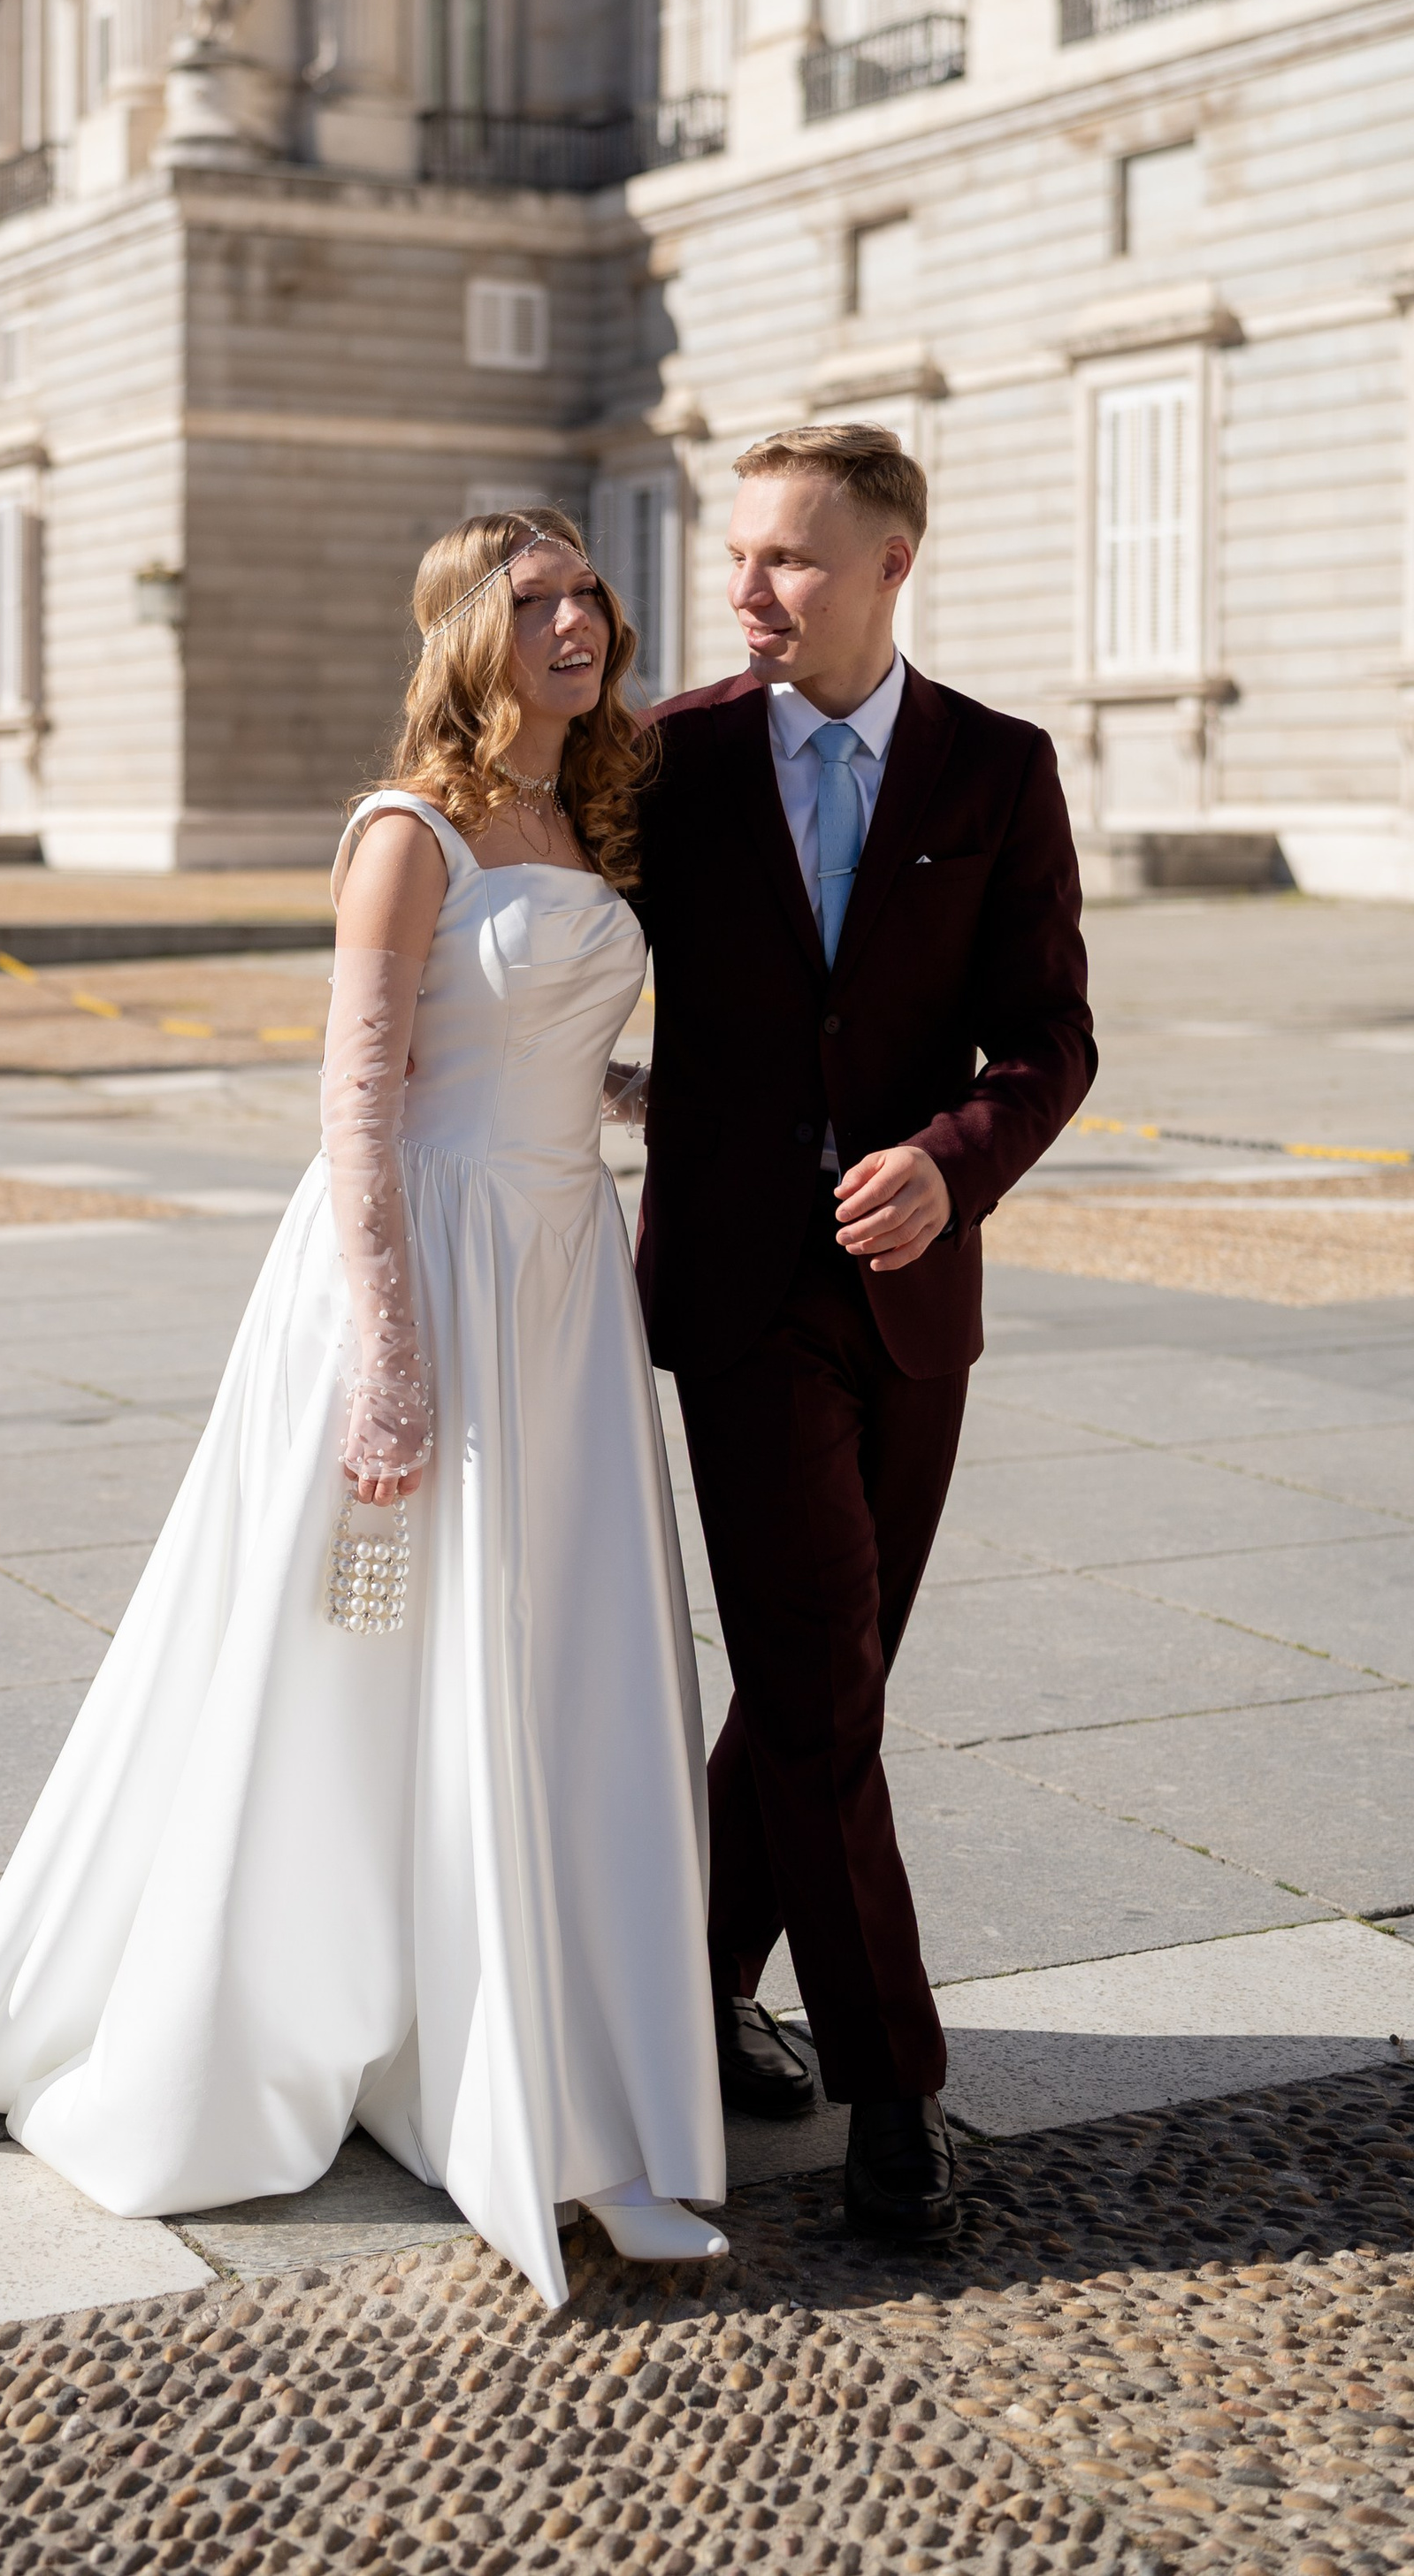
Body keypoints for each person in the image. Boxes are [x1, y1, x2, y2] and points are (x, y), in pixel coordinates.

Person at [0, 509, 727, 2303]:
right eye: (537, 599)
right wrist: (391, 1355)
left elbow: (552, 1049)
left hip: (564, 1272)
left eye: (590, 591)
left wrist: (673, 1106)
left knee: (555, 1645)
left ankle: (528, 2032)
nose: (581, 619)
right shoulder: (401, 832)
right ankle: (323, 2016)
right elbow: (357, 1110)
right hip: (416, 1263)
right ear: (464, 630)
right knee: (364, 1653)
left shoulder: (590, 813)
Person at [620, 424, 1097, 2243]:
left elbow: (1046, 1040)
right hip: (736, 1302)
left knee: (826, 1682)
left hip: (912, 1305)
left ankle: (684, 1979)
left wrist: (949, 1165)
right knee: (819, 1675)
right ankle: (892, 2089)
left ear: (892, 561)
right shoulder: (667, 762)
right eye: (737, 554)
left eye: (788, 559)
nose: (744, 587)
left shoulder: (996, 766)